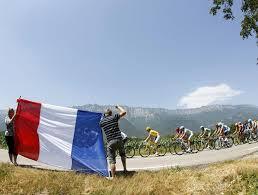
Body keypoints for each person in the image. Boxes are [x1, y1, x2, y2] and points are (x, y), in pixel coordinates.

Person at [100, 105, 127, 177]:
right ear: (111, 113)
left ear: (105, 115)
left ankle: (114, 177)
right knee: (122, 155)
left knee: (112, 161)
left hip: (110, 142)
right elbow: (124, 112)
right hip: (119, 139)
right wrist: (118, 107)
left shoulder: (102, 122)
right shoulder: (114, 117)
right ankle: (125, 170)